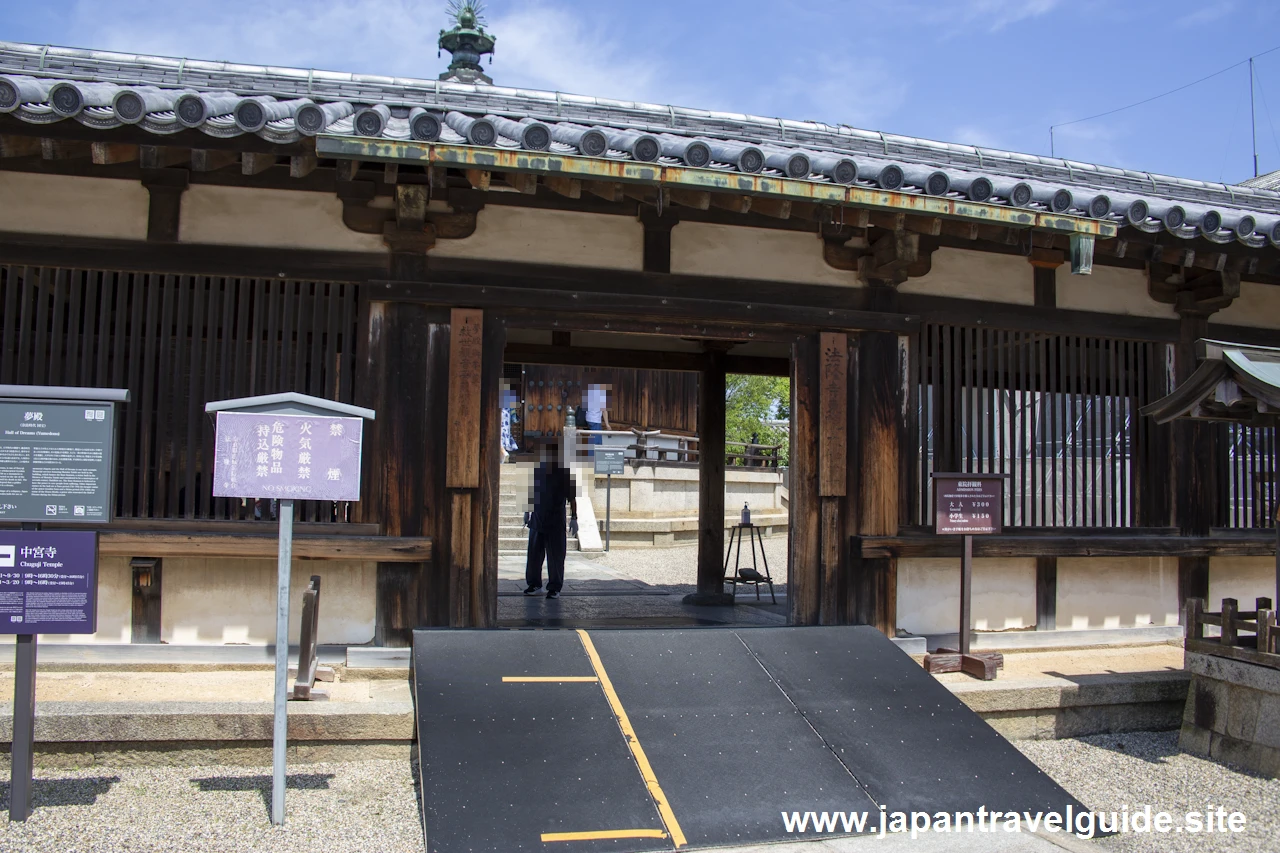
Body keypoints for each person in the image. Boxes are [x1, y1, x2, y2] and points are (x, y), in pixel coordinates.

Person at [523, 441, 578, 599]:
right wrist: (527, 512)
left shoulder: (565, 473)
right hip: (538, 516)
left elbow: (572, 497)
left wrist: (574, 517)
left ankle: (554, 587)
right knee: (534, 554)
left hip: (556, 517)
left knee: (556, 555)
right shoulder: (537, 471)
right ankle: (534, 583)